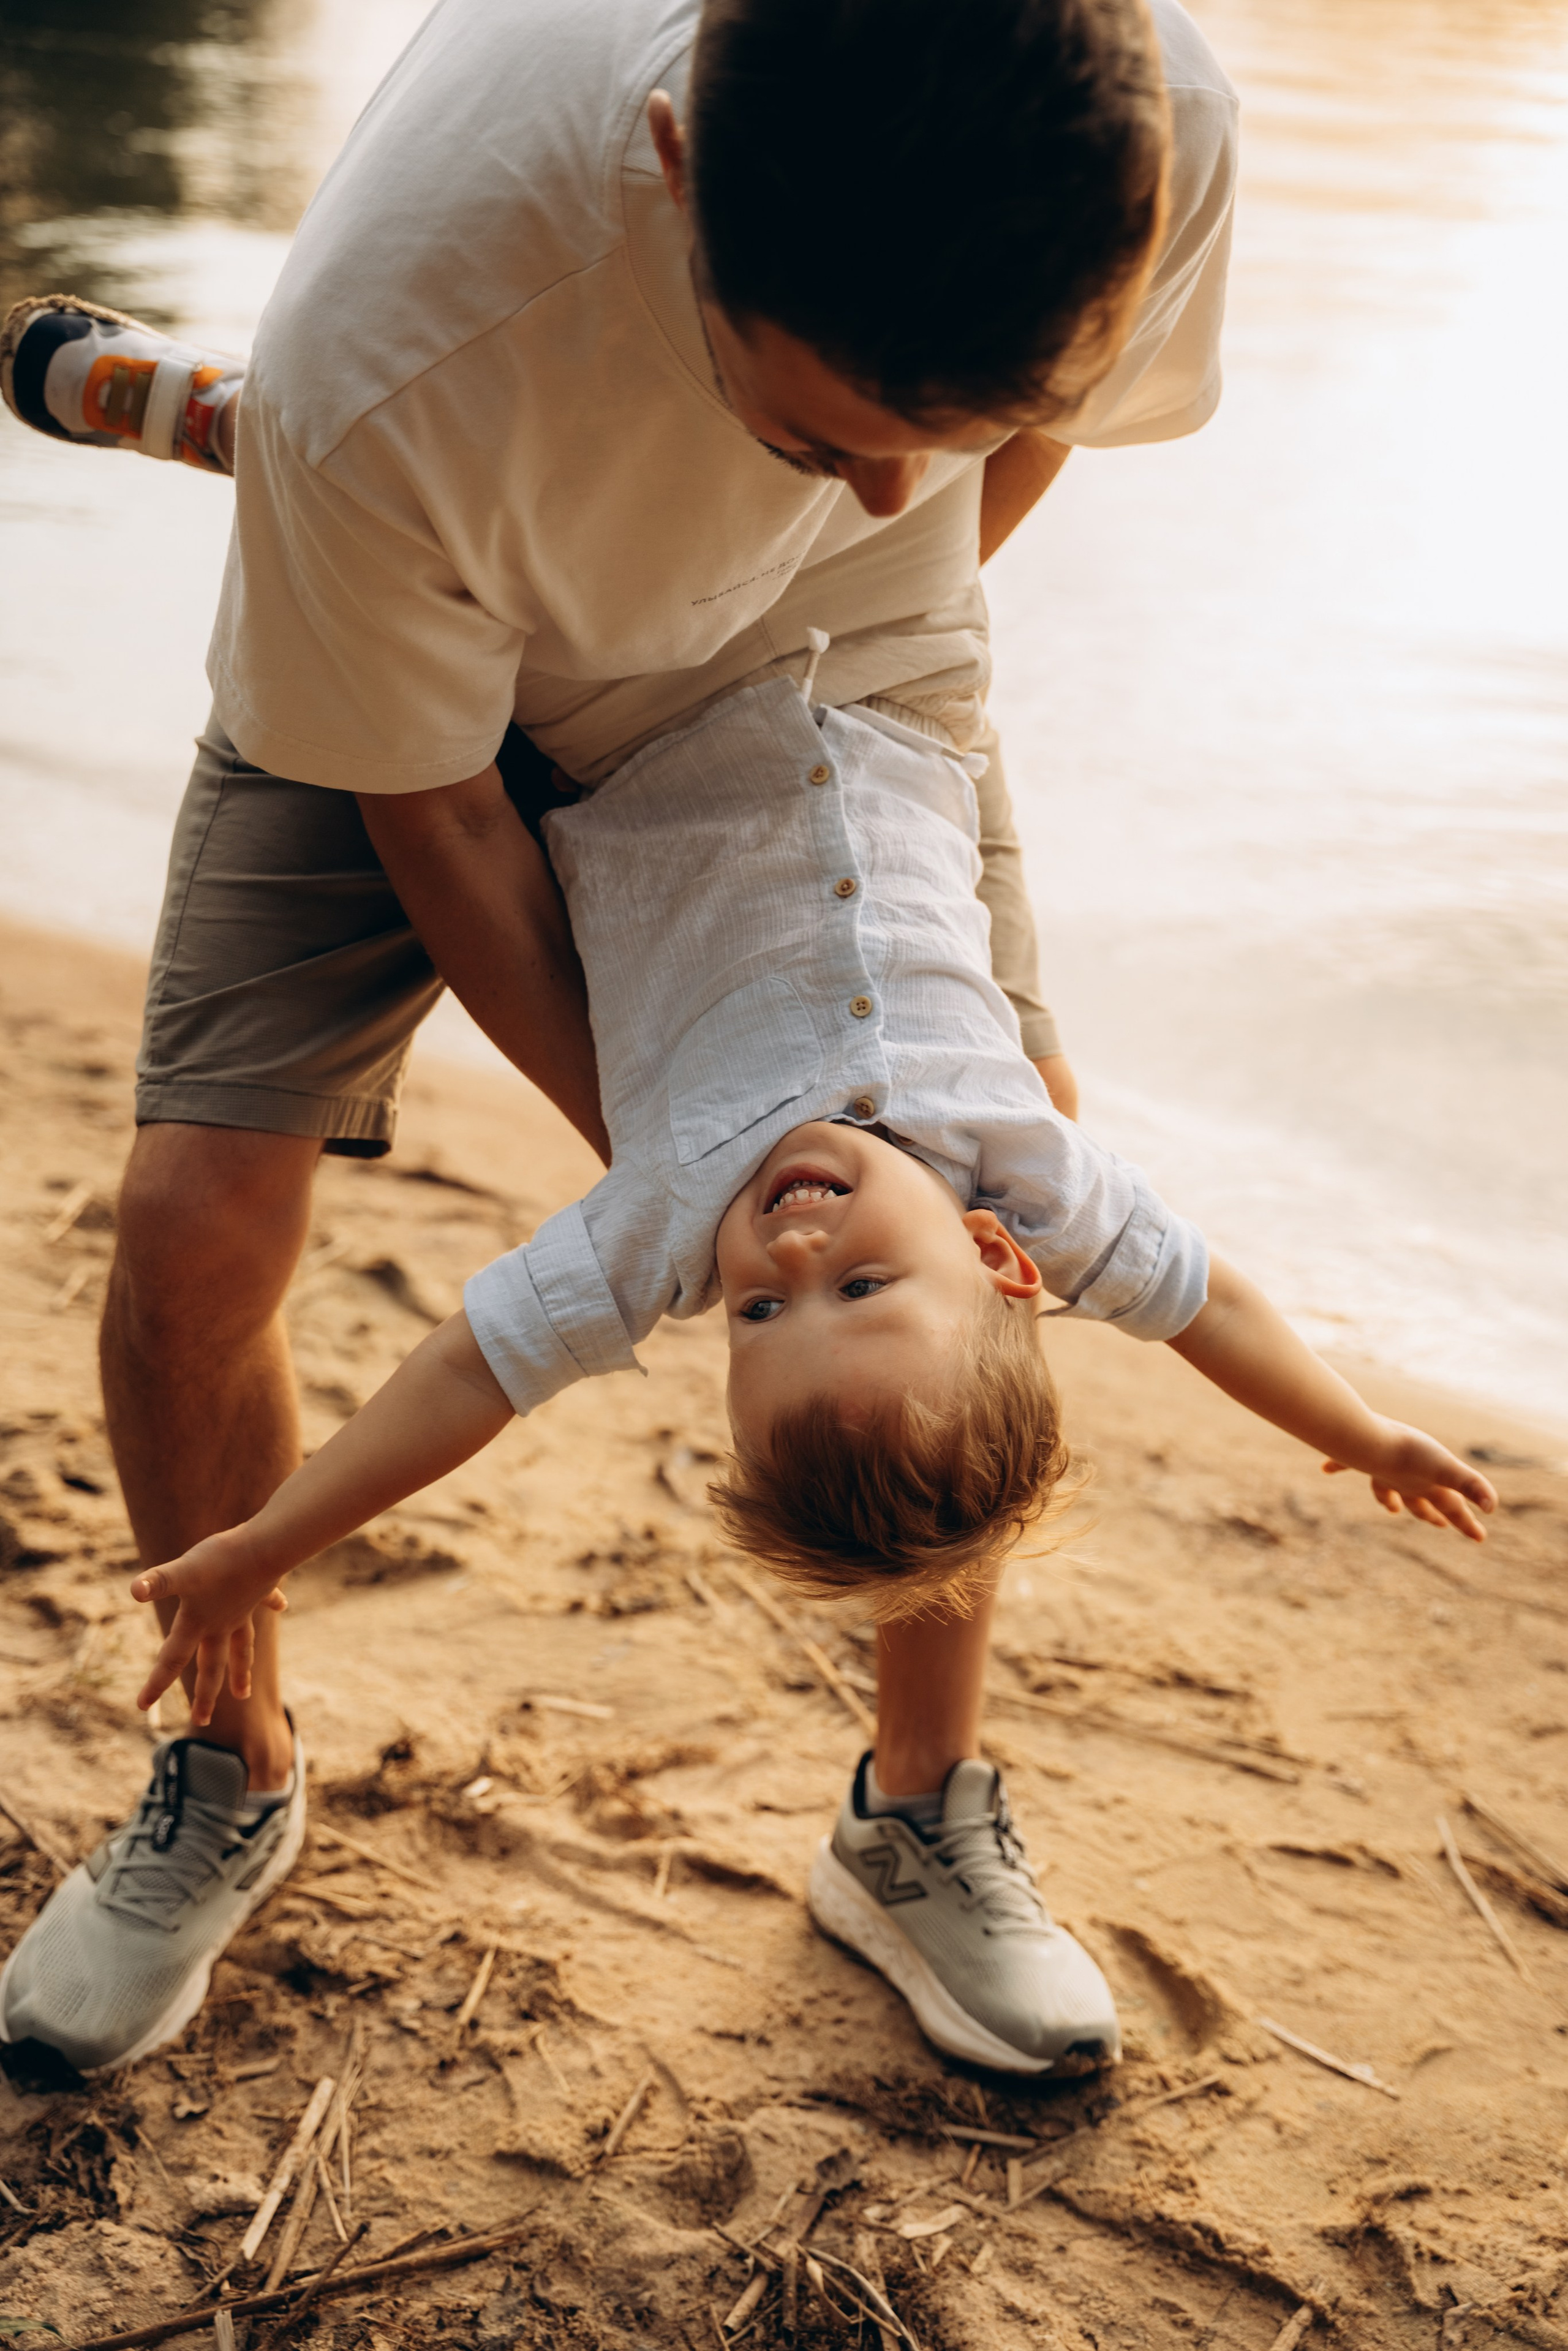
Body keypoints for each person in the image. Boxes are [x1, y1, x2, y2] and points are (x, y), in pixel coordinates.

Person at [0, 0, 1246, 2074]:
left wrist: (823, 547)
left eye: (927, 425)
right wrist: (691, 1149)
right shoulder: (400, 361)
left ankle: (915, 1818)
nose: (881, 481)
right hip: (415, 617)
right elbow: (441, 807)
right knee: (198, 1218)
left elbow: (951, 465)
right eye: (821, 426)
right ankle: (228, 1759)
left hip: (806, 656)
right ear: (674, 169)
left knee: (991, 1171)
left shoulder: (1145, 128)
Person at [0, 676, 1496, 2081]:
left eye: (763, 1313)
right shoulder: (1031, 1175)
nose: (790, 1243)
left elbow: (458, 1378)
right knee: (936, 1367)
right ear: (1005, 1253)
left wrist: (268, 1543)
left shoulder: (665, 1215)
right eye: (851, 1282)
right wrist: (1358, 1428)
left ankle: (912, 1809)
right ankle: (227, 1771)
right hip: (869, 720)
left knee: (931, 1392)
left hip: (658, 717)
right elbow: (1204, 1299)